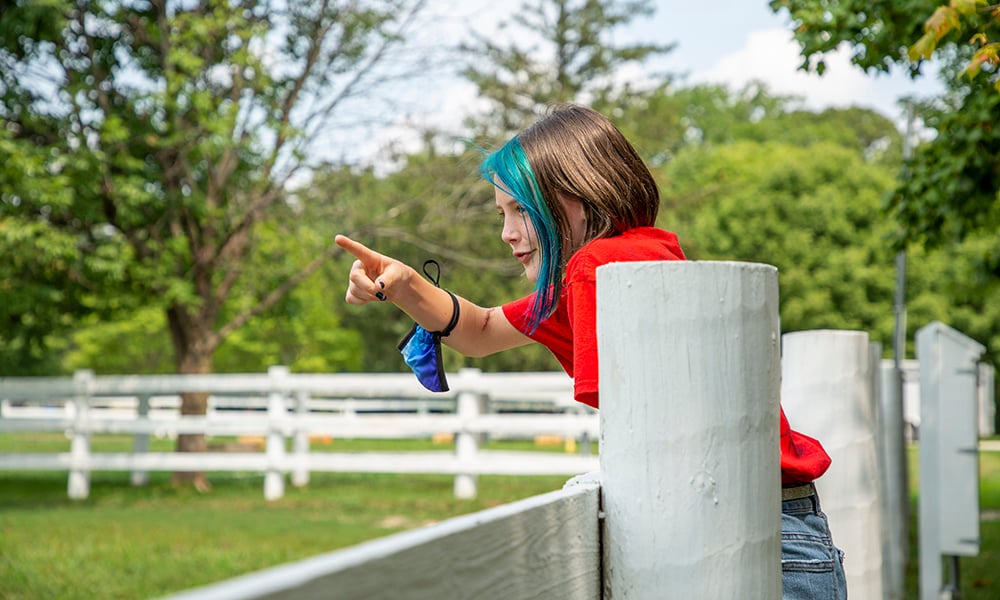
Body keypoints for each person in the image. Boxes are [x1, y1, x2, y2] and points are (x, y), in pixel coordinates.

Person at [335, 103, 847, 599]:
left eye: (520, 210)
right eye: (501, 213)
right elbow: (483, 329)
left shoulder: (601, 266)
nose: (506, 233)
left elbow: (630, 417)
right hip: (768, 523)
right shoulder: (627, 260)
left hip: (747, 529)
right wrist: (401, 284)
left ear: (579, 198)